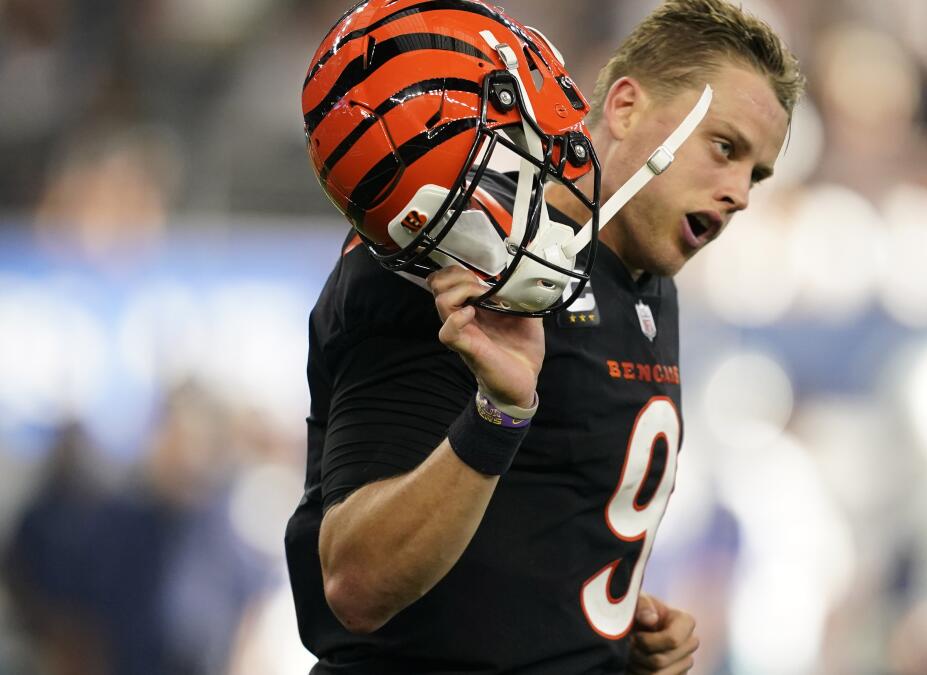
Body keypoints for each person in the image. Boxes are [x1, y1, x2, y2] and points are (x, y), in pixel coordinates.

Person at [284, 0, 801, 672]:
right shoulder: (458, 266)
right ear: (623, 108)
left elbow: (527, 536)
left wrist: (610, 636)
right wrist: (498, 414)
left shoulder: (646, 279)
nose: (739, 194)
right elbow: (355, 583)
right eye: (724, 147)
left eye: (756, 173)